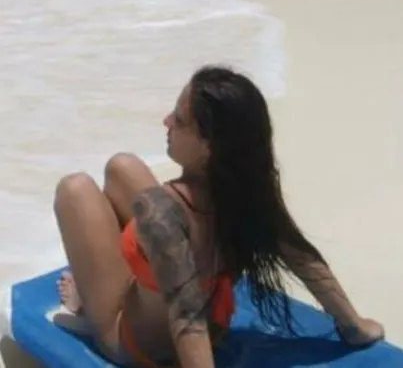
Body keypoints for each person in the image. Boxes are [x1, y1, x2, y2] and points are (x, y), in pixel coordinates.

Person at [55, 66, 384, 367]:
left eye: (180, 121)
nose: (166, 121)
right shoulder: (248, 188)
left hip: (141, 345)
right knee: (121, 166)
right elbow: (301, 256)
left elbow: (186, 318)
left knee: (75, 189)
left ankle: (88, 298)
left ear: (209, 146)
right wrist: (354, 326)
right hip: (216, 323)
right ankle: (119, 273)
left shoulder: (162, 211)